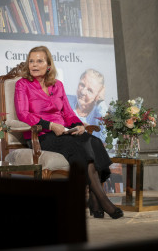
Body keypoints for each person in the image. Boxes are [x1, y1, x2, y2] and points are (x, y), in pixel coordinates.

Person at [14, 45, 123, 219]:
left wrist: (79, 125)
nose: (34, 64)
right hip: (42, 135)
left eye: (39, 61)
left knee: (93, 141)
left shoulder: (57, 85)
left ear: (48, 64)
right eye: (31, 61)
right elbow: (23, 114)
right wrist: (49, 125)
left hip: (64, 131)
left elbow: (68, 113)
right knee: (78, 148)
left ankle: (94, 199)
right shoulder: (22, 84)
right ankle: (102, 200)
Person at [67, 69, 109, 143]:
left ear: (97, 95)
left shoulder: (99, 111)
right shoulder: (66, 101)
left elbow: (107, 140)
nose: (83, 92)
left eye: (90, 90)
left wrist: (100, 101)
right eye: (82, 85)